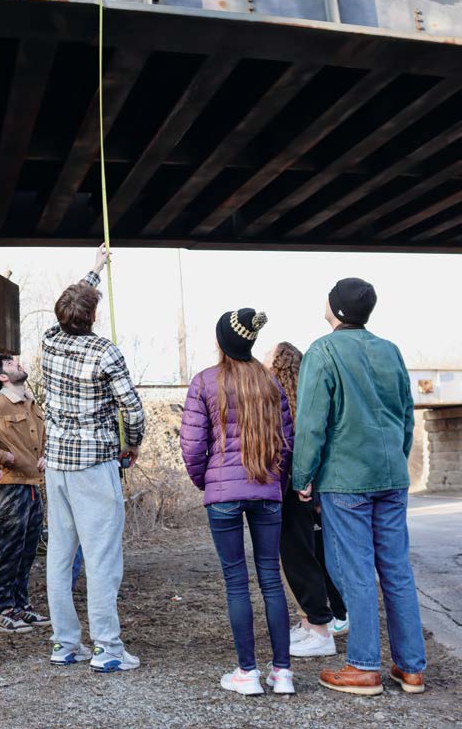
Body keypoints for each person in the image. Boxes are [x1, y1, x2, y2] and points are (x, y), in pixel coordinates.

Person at [292, 278, 426, 696]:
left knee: (353, 569)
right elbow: (406, 415)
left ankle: (364, 666)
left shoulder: (323, 351)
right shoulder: (390, 351)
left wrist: (303, 476)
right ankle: (411, 668)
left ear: (333, 308)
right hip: (390, 477)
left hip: (346, 479)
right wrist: (396, 460)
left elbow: (312, 422)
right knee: (397, 570)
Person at [180, 307, 295, 696]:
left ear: (221, 342)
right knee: (271, 580)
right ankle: (282, 674)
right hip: (267, 493)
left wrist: (207, 483)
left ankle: (247, 673)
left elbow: (193, 446)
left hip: (224, 497)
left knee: (236, 582)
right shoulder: (270, 383)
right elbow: (287, 441)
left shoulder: (204, 382)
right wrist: (276, 481)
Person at [43, 245, 145, 672]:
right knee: (102, 557)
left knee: (60, 556)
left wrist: (96, 269)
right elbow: (132, 409)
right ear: (93, 317)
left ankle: (65, 644)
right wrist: (132, 443)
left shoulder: (50, 340)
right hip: (94, 465)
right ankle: (107, 648)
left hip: (56, 465)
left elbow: (75, 301)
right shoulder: (106, 352)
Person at [265, 342, 347, 659]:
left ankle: (319, 628)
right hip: (308, 487)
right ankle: (314, 622)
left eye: (268, 356)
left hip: (294, 486)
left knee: (298, 557)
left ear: (279, 365)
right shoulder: (307, 396)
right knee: (312, 555)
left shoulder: (278, 399)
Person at [0, 355, 50, 634]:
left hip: (33, 485)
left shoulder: (33, 404)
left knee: (28, 549)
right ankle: (2, 611)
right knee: (9, 549)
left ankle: (21, 606)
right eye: (10, 364)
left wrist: (47, 455)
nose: (18, 364)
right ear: (2, 377)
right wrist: (1, 456)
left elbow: (42, 438)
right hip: (9, 486)